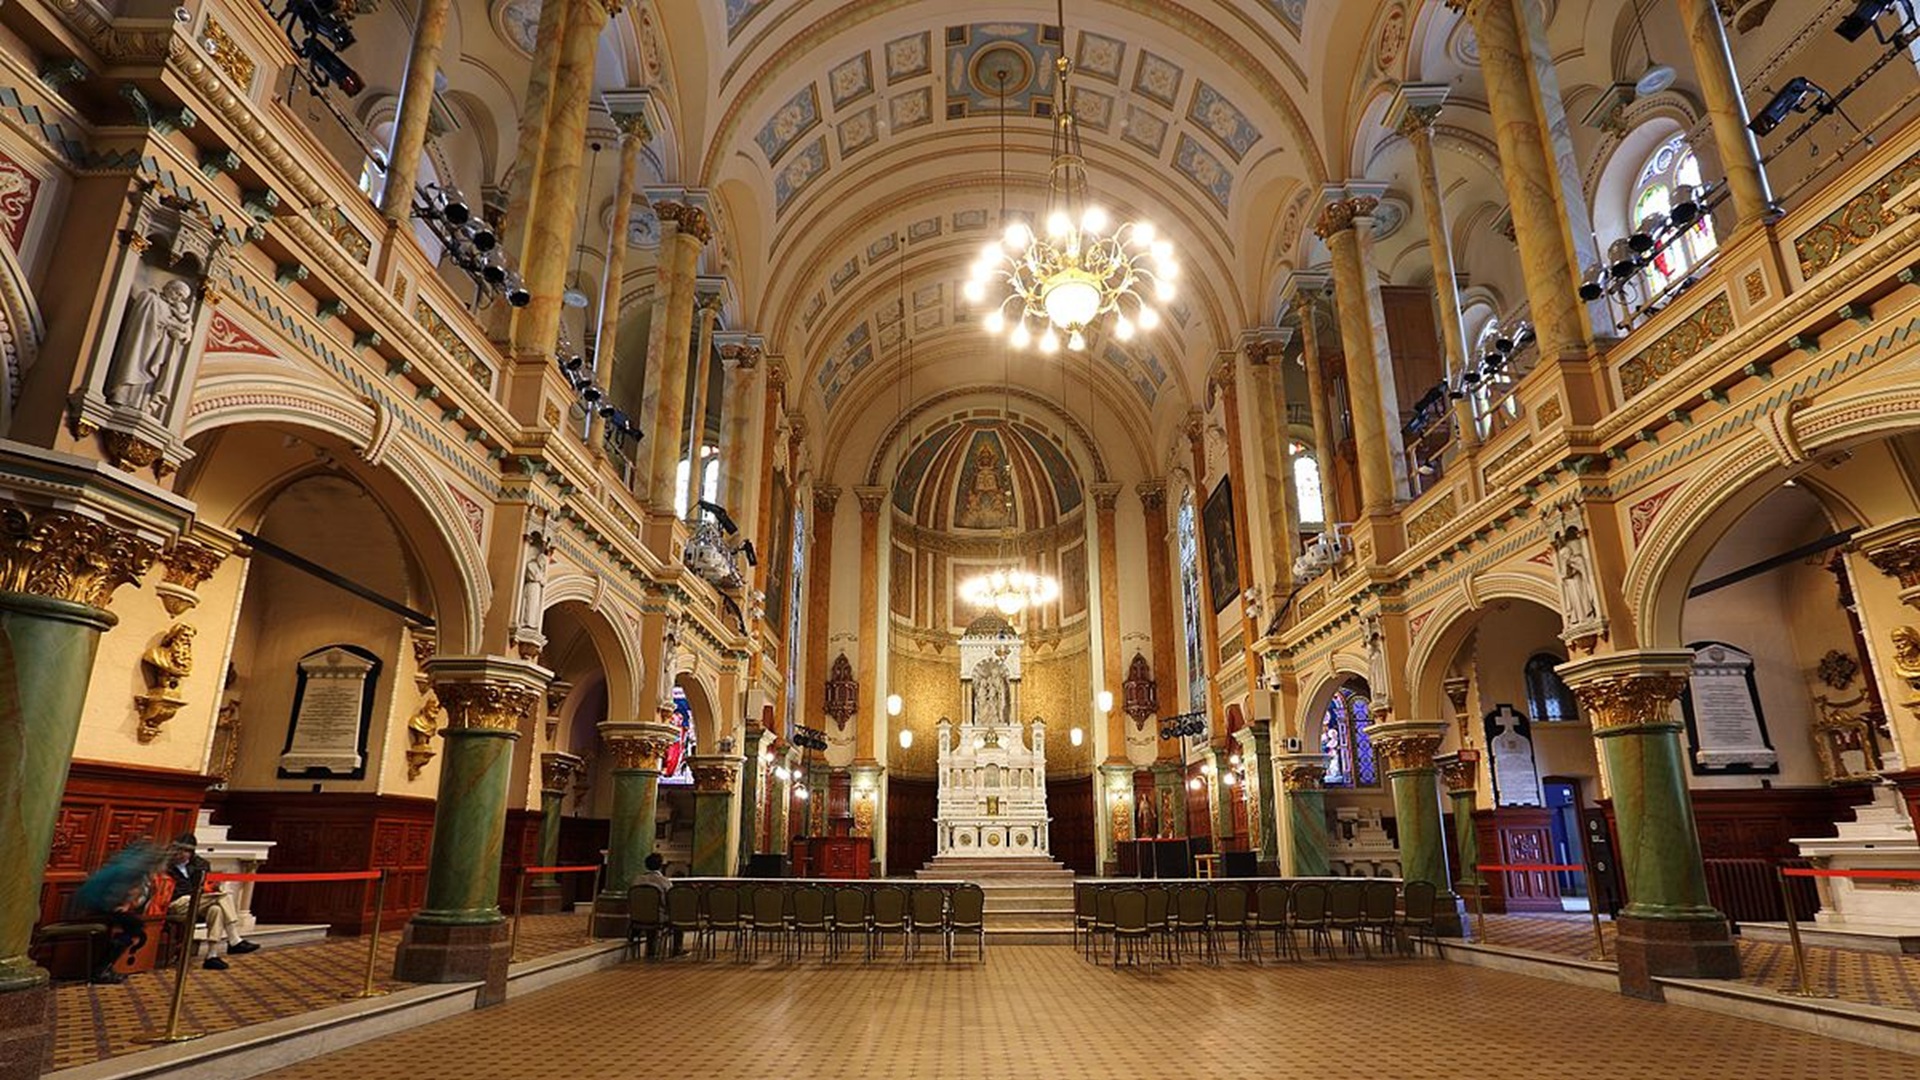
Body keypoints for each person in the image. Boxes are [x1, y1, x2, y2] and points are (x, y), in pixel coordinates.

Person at [71, 838, 165, 984]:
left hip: (89, 901)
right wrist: (116, 906)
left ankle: (106, 965)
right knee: (135, 926)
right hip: (95, 904)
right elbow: (116, 890)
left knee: (131, 926)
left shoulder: (126, 860)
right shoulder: (134, 867)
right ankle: (102, 969)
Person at [164, 834, 259, 970]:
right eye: (179, 850)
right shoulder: (166, 865)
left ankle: (211, 955)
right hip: (176, 902)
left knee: (216, 909)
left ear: (191, 852)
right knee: (223, 896)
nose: (181, 854)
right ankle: (234, 939)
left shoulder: (200, 864)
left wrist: (213, 887)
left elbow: (205, 886)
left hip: (198, 901)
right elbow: (172, 891)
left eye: (186, 851)